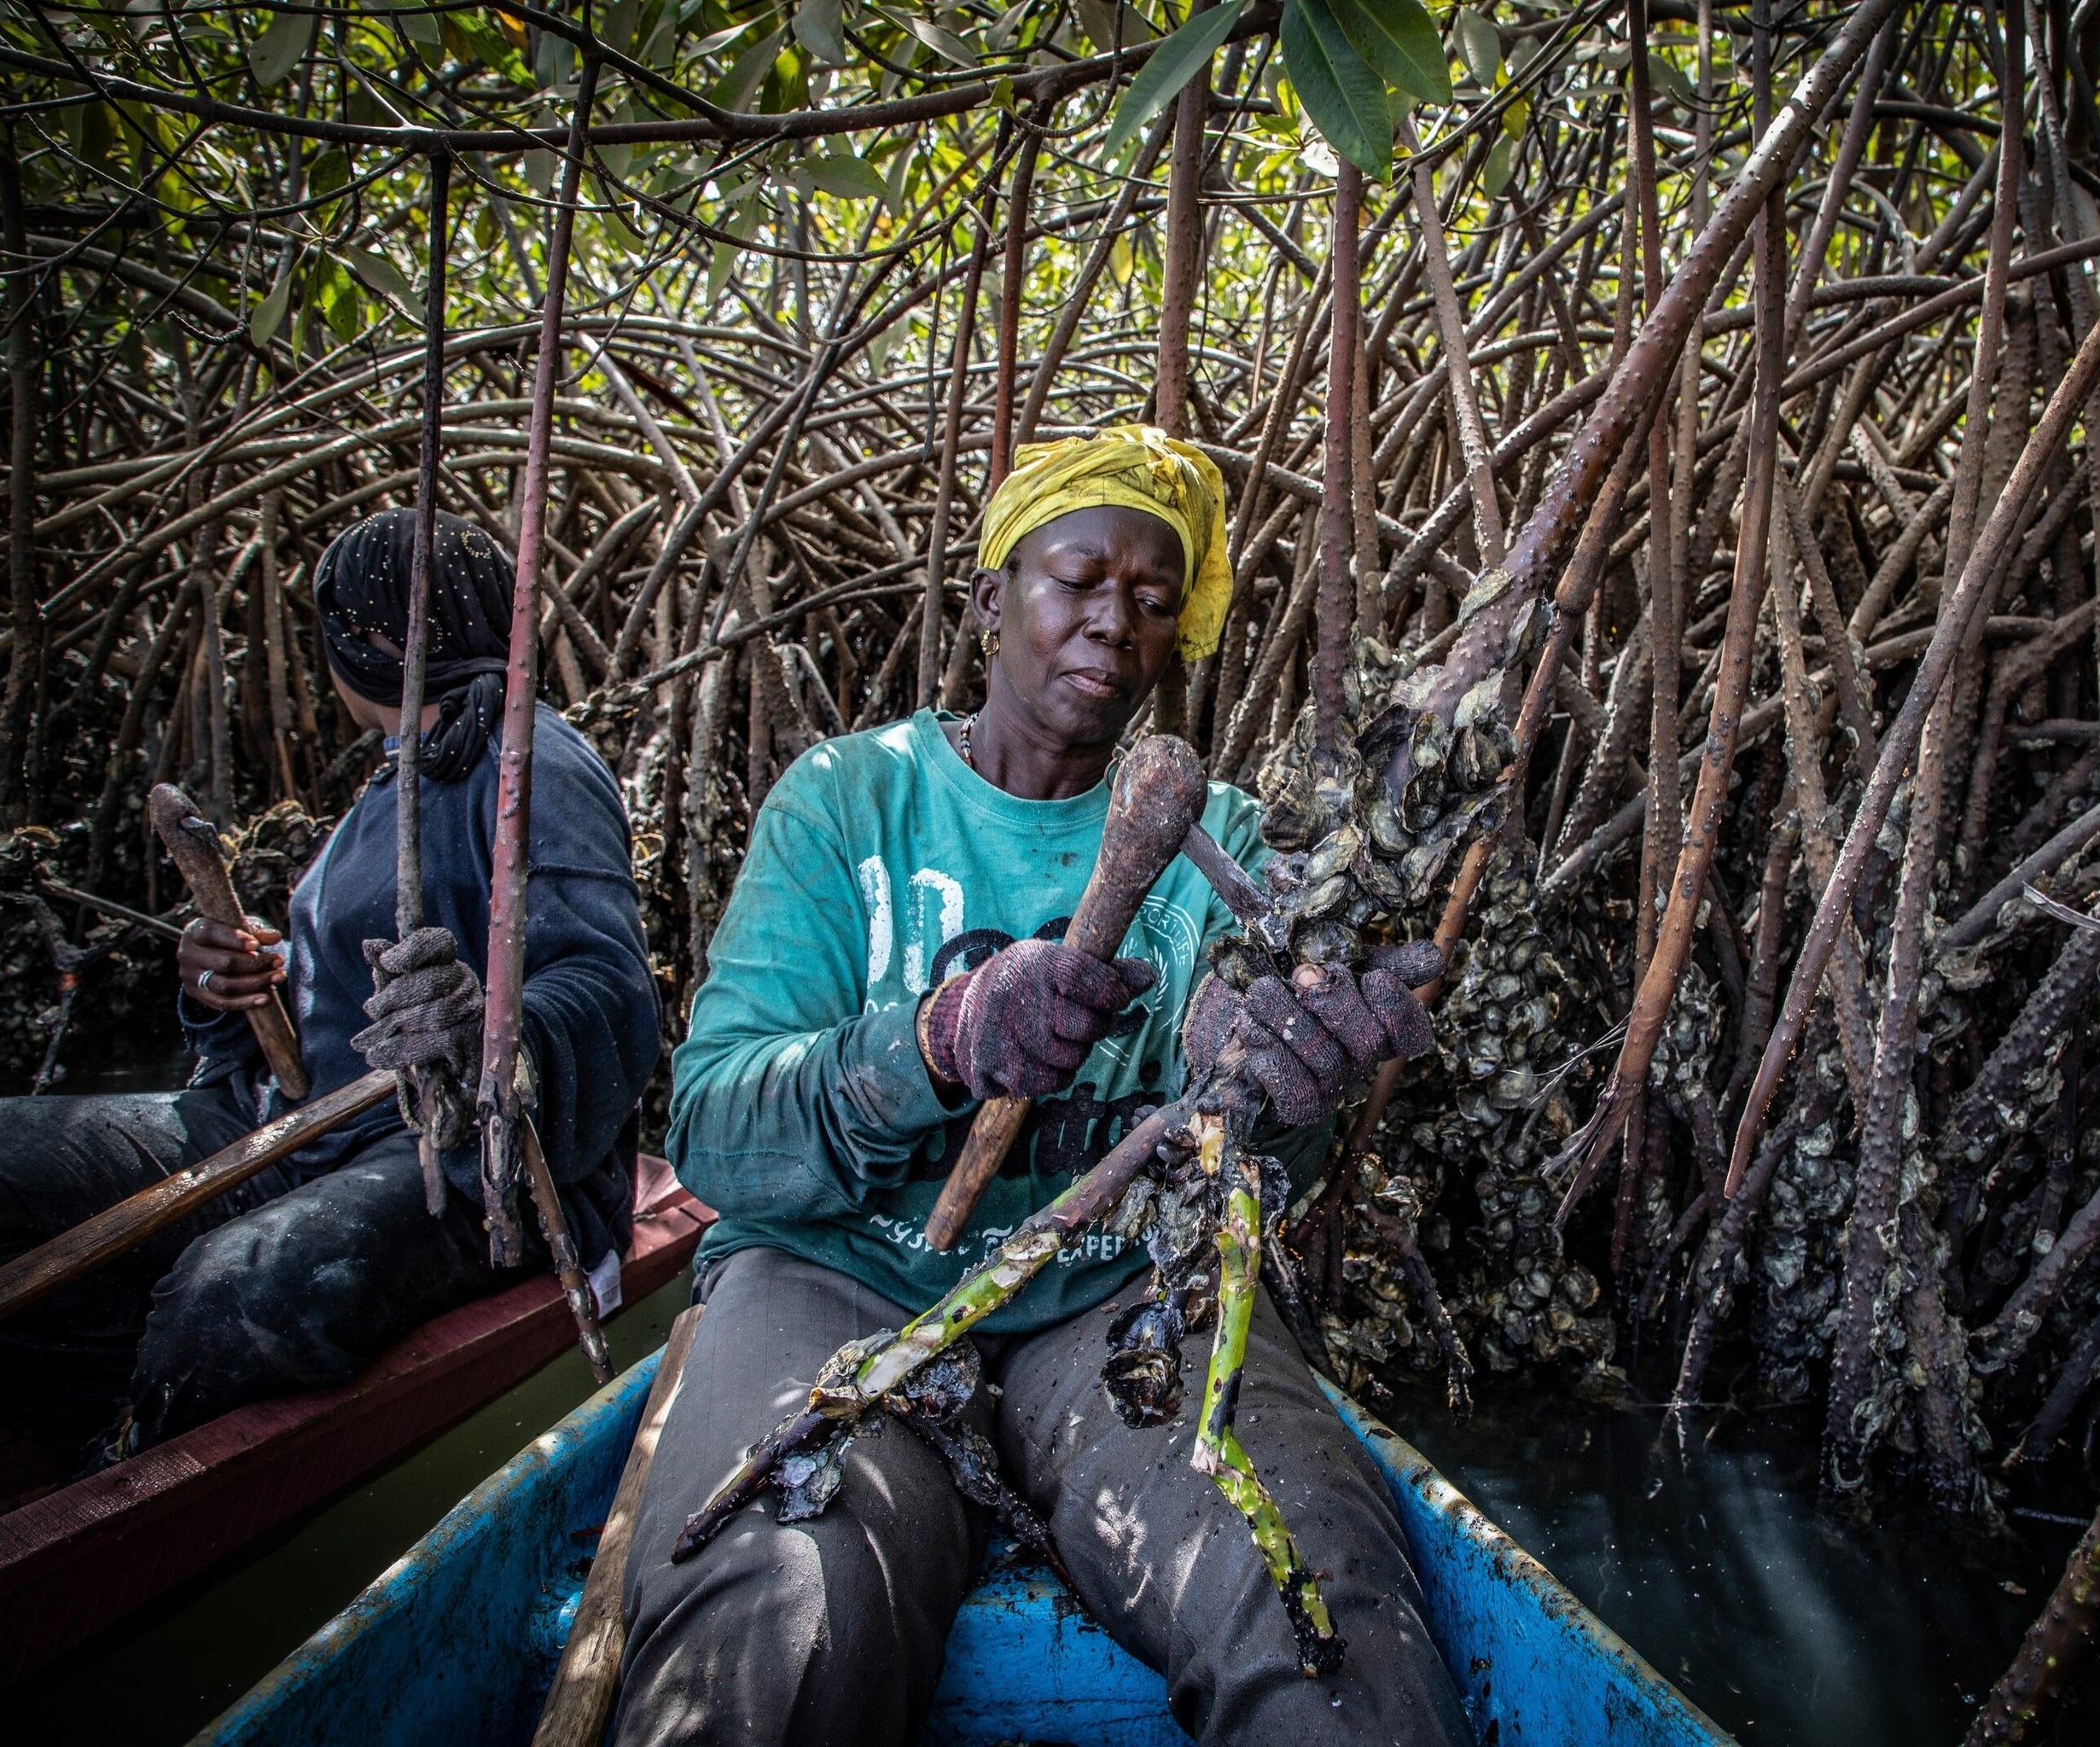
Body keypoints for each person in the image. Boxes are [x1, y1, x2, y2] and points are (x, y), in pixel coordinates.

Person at [616, 427, 1474, 1747]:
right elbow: (720, 1132)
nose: (1112, 622)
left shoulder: (1231, 845)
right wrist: (939, 1038)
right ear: (988, 598)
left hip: (1118, 1300)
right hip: (832, 1277)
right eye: (1077, 577)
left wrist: (1282, 1103)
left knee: (1327, 1611)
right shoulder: (847, 802)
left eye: (1150, 598)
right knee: (776, 1609)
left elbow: (1257, 1177)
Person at [0, 509, 659, 1465]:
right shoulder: (389, 784)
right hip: (292, 1127)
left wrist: (493, 1034)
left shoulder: (529, 755)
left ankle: (132, 1458)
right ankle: (85, 1404)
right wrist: (228, 987)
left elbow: (611, 985)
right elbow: (330, 1001)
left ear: (365, 637)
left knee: (237, 1290)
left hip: (458, 1163)